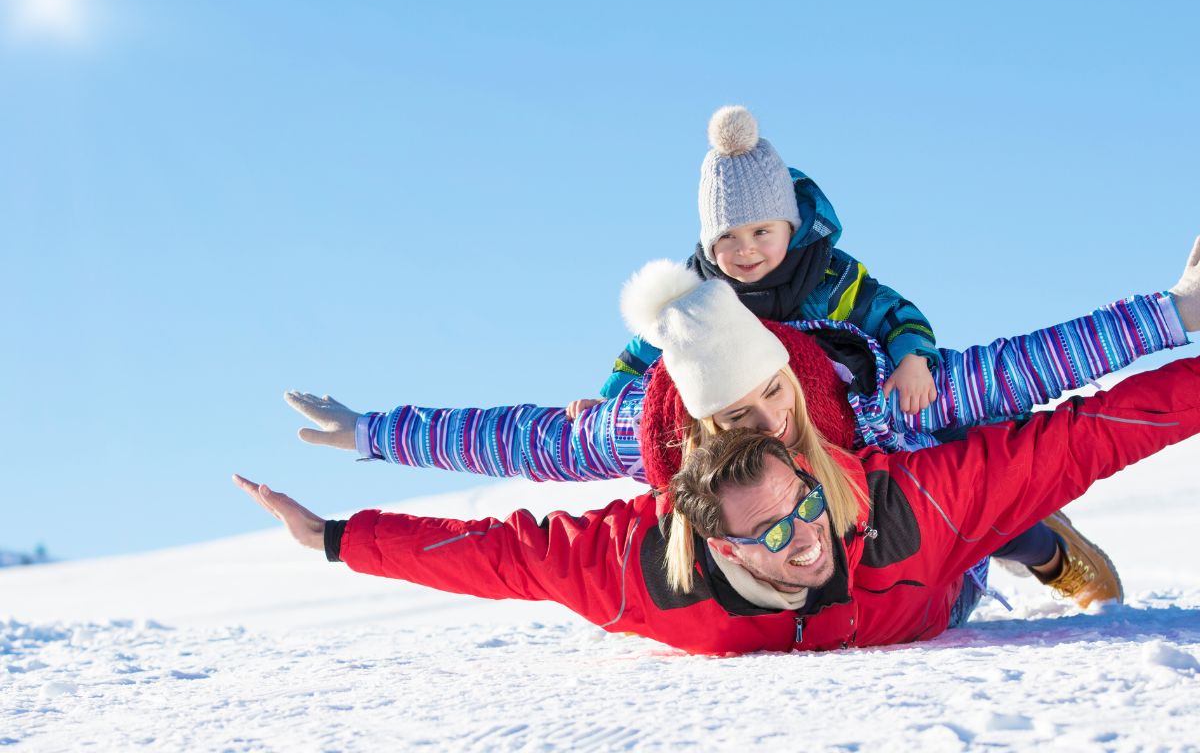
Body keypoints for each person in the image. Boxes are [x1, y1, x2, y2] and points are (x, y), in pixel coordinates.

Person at [283, 240, 1199, 606]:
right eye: (734, 415)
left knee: (978, 489)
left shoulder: (871, 393)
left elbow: (1044, 363)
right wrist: (372, 433)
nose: (765, 422)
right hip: (815, 569)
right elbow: (516, 439)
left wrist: (1180, 313)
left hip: (924, 530)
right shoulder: (649, 435)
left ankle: (1040, 546)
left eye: (771, 395)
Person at [234, 319, 1200, 655]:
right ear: (720, 542)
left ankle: (1043, 543)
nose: (805, 541)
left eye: (802, 510)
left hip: (941, 567)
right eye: (772, 536)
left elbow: (1092, 428)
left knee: (1003, 492)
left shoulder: (880, 482)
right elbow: (502, 546)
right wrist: (334, 532)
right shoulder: (644, 575)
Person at [572, 105, 940, 418]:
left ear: (791, 229)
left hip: (835, 406)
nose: (745, 250)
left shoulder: (828, 278)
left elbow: (892, 312)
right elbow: (643, 355)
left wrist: (913, 360)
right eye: (727, 238)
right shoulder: (697, 294)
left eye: (761, 233)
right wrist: (607, 403)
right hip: (744, 425)